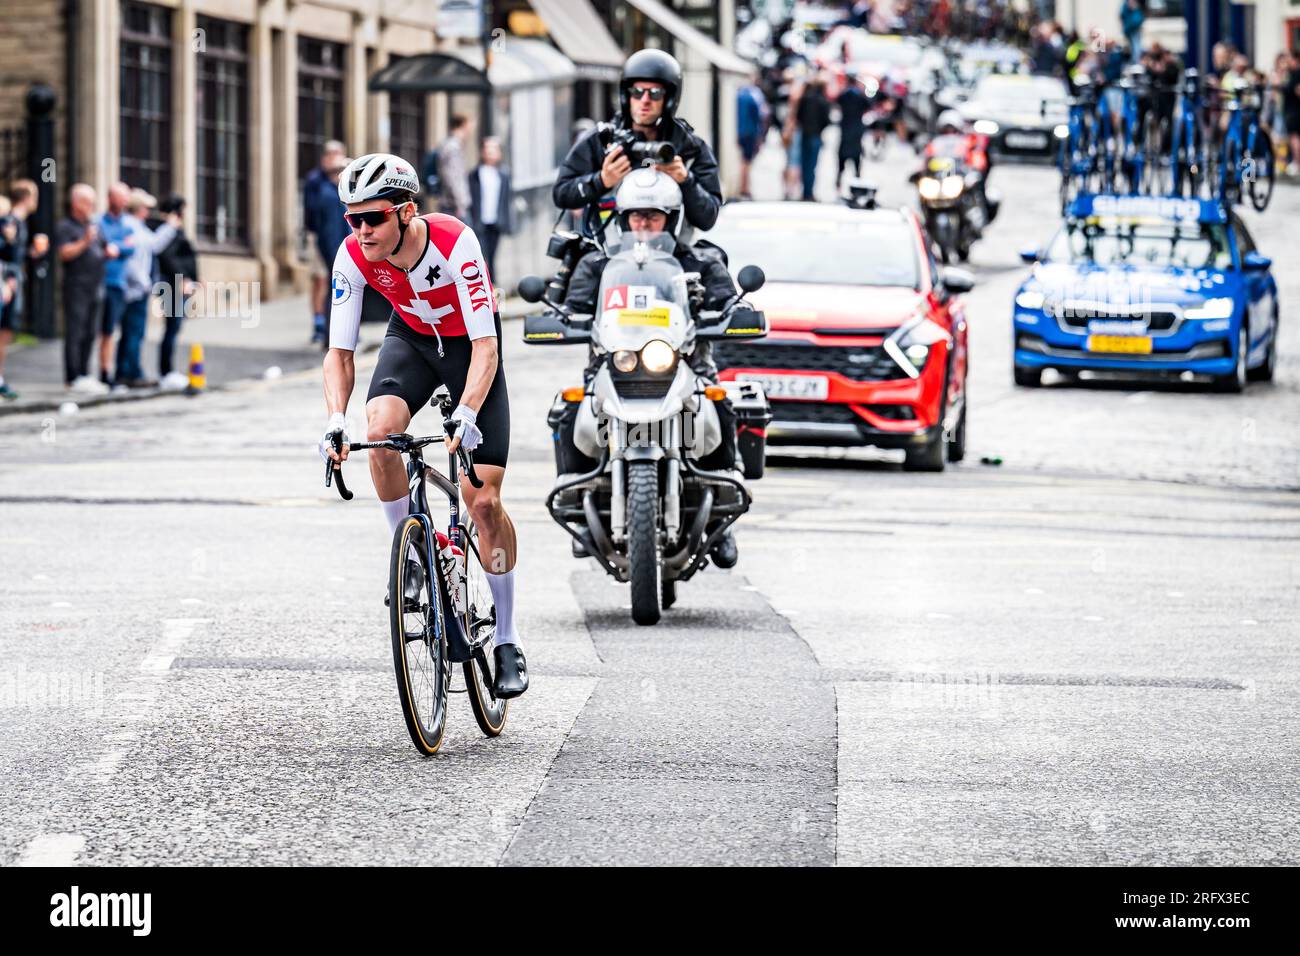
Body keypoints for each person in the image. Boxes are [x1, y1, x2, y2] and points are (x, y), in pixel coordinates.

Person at [319, 152, 527, 699]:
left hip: (467, 352)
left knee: (481, 501)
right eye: (353, 219)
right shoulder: (352, 257)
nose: (362, 230)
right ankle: (409, 555)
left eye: (374, 218)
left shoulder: (457, 243)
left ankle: (506, 637)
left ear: (407, 212)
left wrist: (467, 411)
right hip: (411, 341)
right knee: (379, 431)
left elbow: (487, 345)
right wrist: (335, 421)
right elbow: (339, 352)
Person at [562, 168, 742, 568]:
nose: (644, 225)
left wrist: (729, 311)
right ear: (623, 219)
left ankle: (724, 518)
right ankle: (576, 496)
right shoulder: (598, 263)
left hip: (686, 364)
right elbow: (571, 308)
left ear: (672, 219)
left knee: (722, 402)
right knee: (568, 408)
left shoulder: (699, 260)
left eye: (654, 216)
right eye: (636, 217)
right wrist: (561, 318)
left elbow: (730, 303)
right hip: (614, 365)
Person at [553, 49, 723, 239]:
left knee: (714, 265)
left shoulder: (690, 148)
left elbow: (708, 218)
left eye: (655, 94)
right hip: (606, 255)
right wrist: (601, 180)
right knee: (576, 265)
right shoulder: (601, 141)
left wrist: (685, 180)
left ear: (669, 99)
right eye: (637, 92)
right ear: (626, 96)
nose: (645, 101)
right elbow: (561, 193)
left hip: (674, 257)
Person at [115, 189, 178, 389]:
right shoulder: (129, 226)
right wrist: (144, 283)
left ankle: (127, 372)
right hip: (134, 289)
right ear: (139, 208)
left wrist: (169, 228)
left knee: (133, 332)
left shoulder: (138, 227)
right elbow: (132, 259)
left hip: (137, 288)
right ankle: (131, 373)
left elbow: (154, 245)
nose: (148, 212)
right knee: (133, 331)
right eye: (146, 208)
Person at [54, 184, 112, 394]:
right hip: (77, 286)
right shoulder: (66, 227)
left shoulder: (93, 225)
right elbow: (64, 253)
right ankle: (72, 377)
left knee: (90, 332)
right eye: (89, 202)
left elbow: (103, 247)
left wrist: (109, 251)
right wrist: (85, 241)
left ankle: (85, 374)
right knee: (75, 332)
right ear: (77, 203)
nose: (92, 207)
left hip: (96, 285)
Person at [303, 140, 347, 344]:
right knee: (321, 280)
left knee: (332, 284)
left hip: (336, 242)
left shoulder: (336, 190)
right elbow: (315, 215)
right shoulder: (318, 184)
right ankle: (321, 323)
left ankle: (334, 328)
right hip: (321, 238)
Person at [154, 193, 199, 387]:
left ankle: (168, 371)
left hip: (179, 284)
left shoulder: (174, 230)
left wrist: (197, 277)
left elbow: (185, 256)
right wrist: (184, 278)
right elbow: (169, 258)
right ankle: (166, 371)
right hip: (172, 285)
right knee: (172, 327)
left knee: (175, 327)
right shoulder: (168, 230)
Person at [98, 182, 134, 387]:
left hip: (118, 284)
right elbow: (101, 244)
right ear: (111, 198)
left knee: (110, 331)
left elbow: (130, 248)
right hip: (100, 281)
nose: (125, 202)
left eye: (126, 198)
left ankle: (106, 372)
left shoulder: (127, 224)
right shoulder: (99, 222)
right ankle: (88, 373)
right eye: (122, 198)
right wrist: (116, 246)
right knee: (97, 330)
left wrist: (116, 248)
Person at [468, 137, 515, 279]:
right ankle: (482, 283)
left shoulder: (504, 174)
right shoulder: (475, 174)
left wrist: (508, 222)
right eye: (487, 148)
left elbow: (506, 200)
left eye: (493, 149)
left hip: (496, 220)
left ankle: (493, 285)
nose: (489, 152)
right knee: (481, 255)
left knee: (493, 256)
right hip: (479, 221)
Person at [795, 73, 832, 200]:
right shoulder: (823, 101)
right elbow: (826, 120)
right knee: (811, 165)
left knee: (805, 165)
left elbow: (798, 116)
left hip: (805, 134)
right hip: (815, 135)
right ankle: (808, 193)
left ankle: (805, 192)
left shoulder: (805, 99)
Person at [736, 72, 769, 199]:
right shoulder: (755, 95)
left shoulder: (739, 94)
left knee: (744, 160)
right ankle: (745, 187)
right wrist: (761, 135)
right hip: (751, 132)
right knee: (747, 161)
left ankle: (744, 186)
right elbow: (761, 116)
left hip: (741, 131)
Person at [836, 69, 870, 188]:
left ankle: (840, 180)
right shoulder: (859, 95)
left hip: (846, 128)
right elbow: (868, 105)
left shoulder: (844, 95)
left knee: (842, 156)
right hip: (856, 128)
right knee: (856, 156)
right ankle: (856, 181)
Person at [436, 114, 473, 220]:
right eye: (470, 125)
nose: (471, 130)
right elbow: (454, 177)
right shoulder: (453, 147)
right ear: (464, 125)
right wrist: (460, 204)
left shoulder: (449, 144)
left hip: (451, 204)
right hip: (453, 206)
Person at [1120, 0, 1145, 65]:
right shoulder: (1126, 5)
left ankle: (1135, 62)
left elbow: (1139, 19)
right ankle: (1135, 62)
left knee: (1136, 46)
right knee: (1134, 46)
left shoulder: (1135, 8)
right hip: (1130, 28)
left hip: (1132, 28)